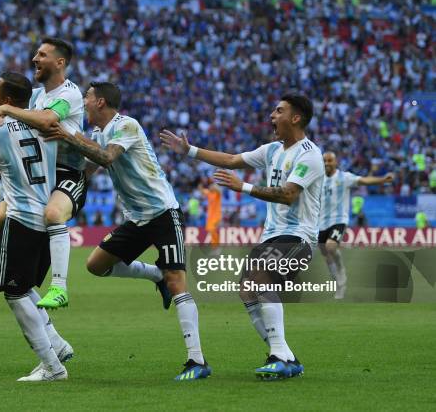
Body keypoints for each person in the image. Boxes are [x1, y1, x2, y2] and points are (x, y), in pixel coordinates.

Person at [46, 82, 211, 381]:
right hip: (136, 219)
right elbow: (87, 169)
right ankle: (154, 275)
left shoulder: (127, 125)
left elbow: (107, 157)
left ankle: (196, 361)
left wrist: (70, 134)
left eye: (87, 97)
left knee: (178, 282)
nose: (83, 101)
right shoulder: (97, 134)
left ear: (101, 102)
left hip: (163, 212)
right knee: (96, 265)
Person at [160, 93, 324, 380]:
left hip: (299, 237)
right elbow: (233, 159)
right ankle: (286, 357)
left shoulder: (309, 154)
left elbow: (288, 195)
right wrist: (190, 151)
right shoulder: (273, 149)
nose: (272, 116)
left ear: (295, 117)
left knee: (260, 276)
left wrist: (244, 187)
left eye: (279, 111)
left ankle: (278, 356)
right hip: (271, 235)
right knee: (247, 288)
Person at [0, 37, 86, 310]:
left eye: (42, 54)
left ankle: (60, 287)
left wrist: (4, 108)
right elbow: (24, 122)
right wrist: (3, 120)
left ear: (59, 62)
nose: (34, 59)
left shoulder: (69, 94)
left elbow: (49, 120)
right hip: (39, 174)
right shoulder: (37, 96)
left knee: (53, 214)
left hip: (68, 174)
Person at [0, 71, 73, 381]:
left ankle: (51, 365)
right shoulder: (46, 126)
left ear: (6, 100)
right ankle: (57, 346)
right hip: (48, 217)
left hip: (21, 218)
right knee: (26, 286)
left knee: (15, 293)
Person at [318, 152, 394, 299]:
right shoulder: (318, 178)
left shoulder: (344, 177)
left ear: (336, 162)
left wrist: (382, 180)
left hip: (338, 219)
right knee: (325, 253)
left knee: (330, 246)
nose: (327, 163)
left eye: (330, 161)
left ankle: (341, 274)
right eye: (324, 161)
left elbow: (364, 180)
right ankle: (337, 278)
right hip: (321, 221)